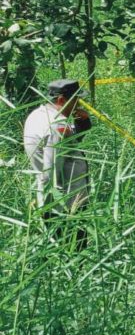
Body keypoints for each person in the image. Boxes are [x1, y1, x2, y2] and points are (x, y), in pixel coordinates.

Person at [23, 79, 91, 248]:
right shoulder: (57, 125)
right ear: (62, 100)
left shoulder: (38, 115)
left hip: (55, 201)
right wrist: (54, 209)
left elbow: (66, 150)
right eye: (76, 100)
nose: (79, 104)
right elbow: (51, 172)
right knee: (75, 256)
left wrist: (82, 125)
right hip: (65, 205)